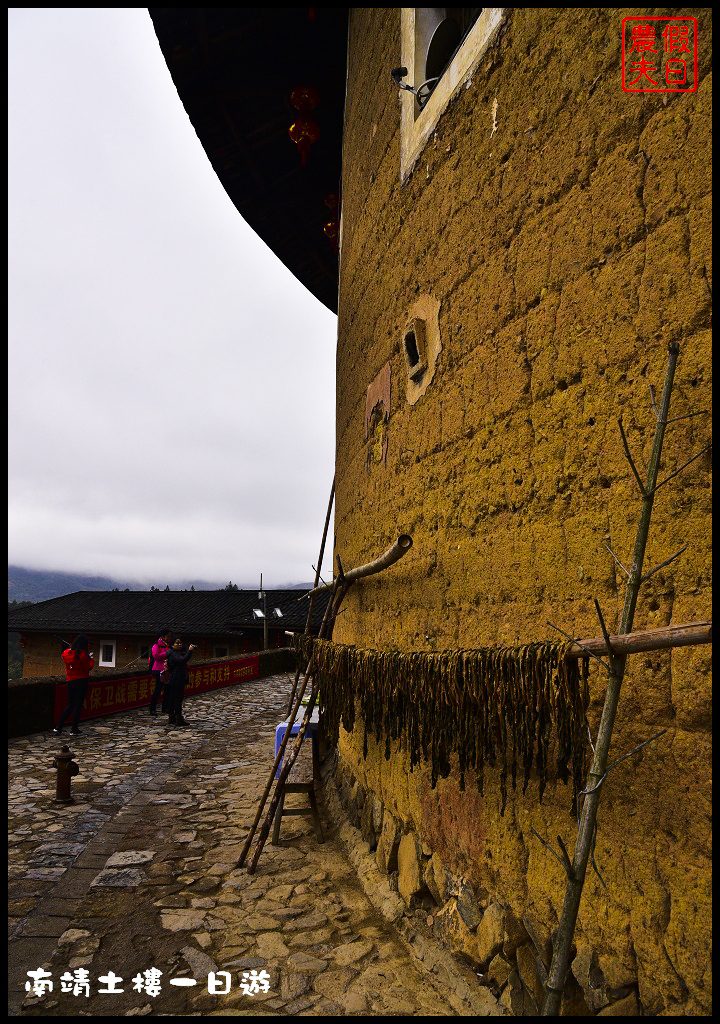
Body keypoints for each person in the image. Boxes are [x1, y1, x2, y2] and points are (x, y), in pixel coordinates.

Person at [54, 635, 94, 736]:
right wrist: (91, 658)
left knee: (70, 704)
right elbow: (88, 667)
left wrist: (70, 649)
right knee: (78, 705)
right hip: (82, 681)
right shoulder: (84, 655)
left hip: (70, 681)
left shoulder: (67, 653)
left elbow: (64, 654)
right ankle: (74, 728)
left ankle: (58, 727)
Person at [165, 638, 197, 728]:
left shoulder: (176, 652)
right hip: (176, 679)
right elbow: (182, 660)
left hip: (178, 678)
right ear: (172, 644)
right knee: (177, 699)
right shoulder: (172, 653)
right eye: (177, 643)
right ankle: (178, 718)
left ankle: (173, 717)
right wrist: (190, 651)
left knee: (175, 699)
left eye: (180, 643)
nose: (179, 645)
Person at [149, 629, 173, 715]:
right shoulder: (156, 645)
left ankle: (165, 707)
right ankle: (152, 709)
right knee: (158, 690)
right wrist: (167, 653)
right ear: (163, 637)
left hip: (167, 670)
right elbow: (156, 656)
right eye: (168, 636)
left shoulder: (168, 645)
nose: (170, 638)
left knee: (167, 690)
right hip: (158, 669)